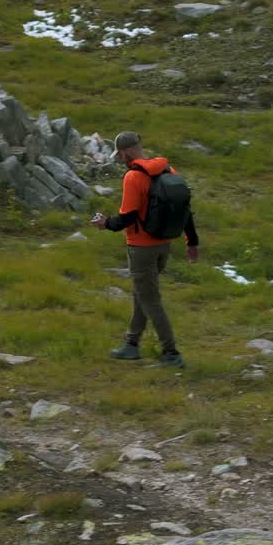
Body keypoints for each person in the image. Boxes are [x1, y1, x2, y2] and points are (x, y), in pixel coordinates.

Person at [91, 131, 199, 368]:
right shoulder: (168, 170)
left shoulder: (133, 177)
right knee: (143, 293)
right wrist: (192, 241)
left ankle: (171, 353)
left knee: (150, 299)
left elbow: (126, 218)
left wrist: (104, 223)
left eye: (120, 155)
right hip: (164, 245)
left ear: (127, 151)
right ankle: (131, 345)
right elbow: (185, 210)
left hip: (141, 249)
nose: (120, 159)